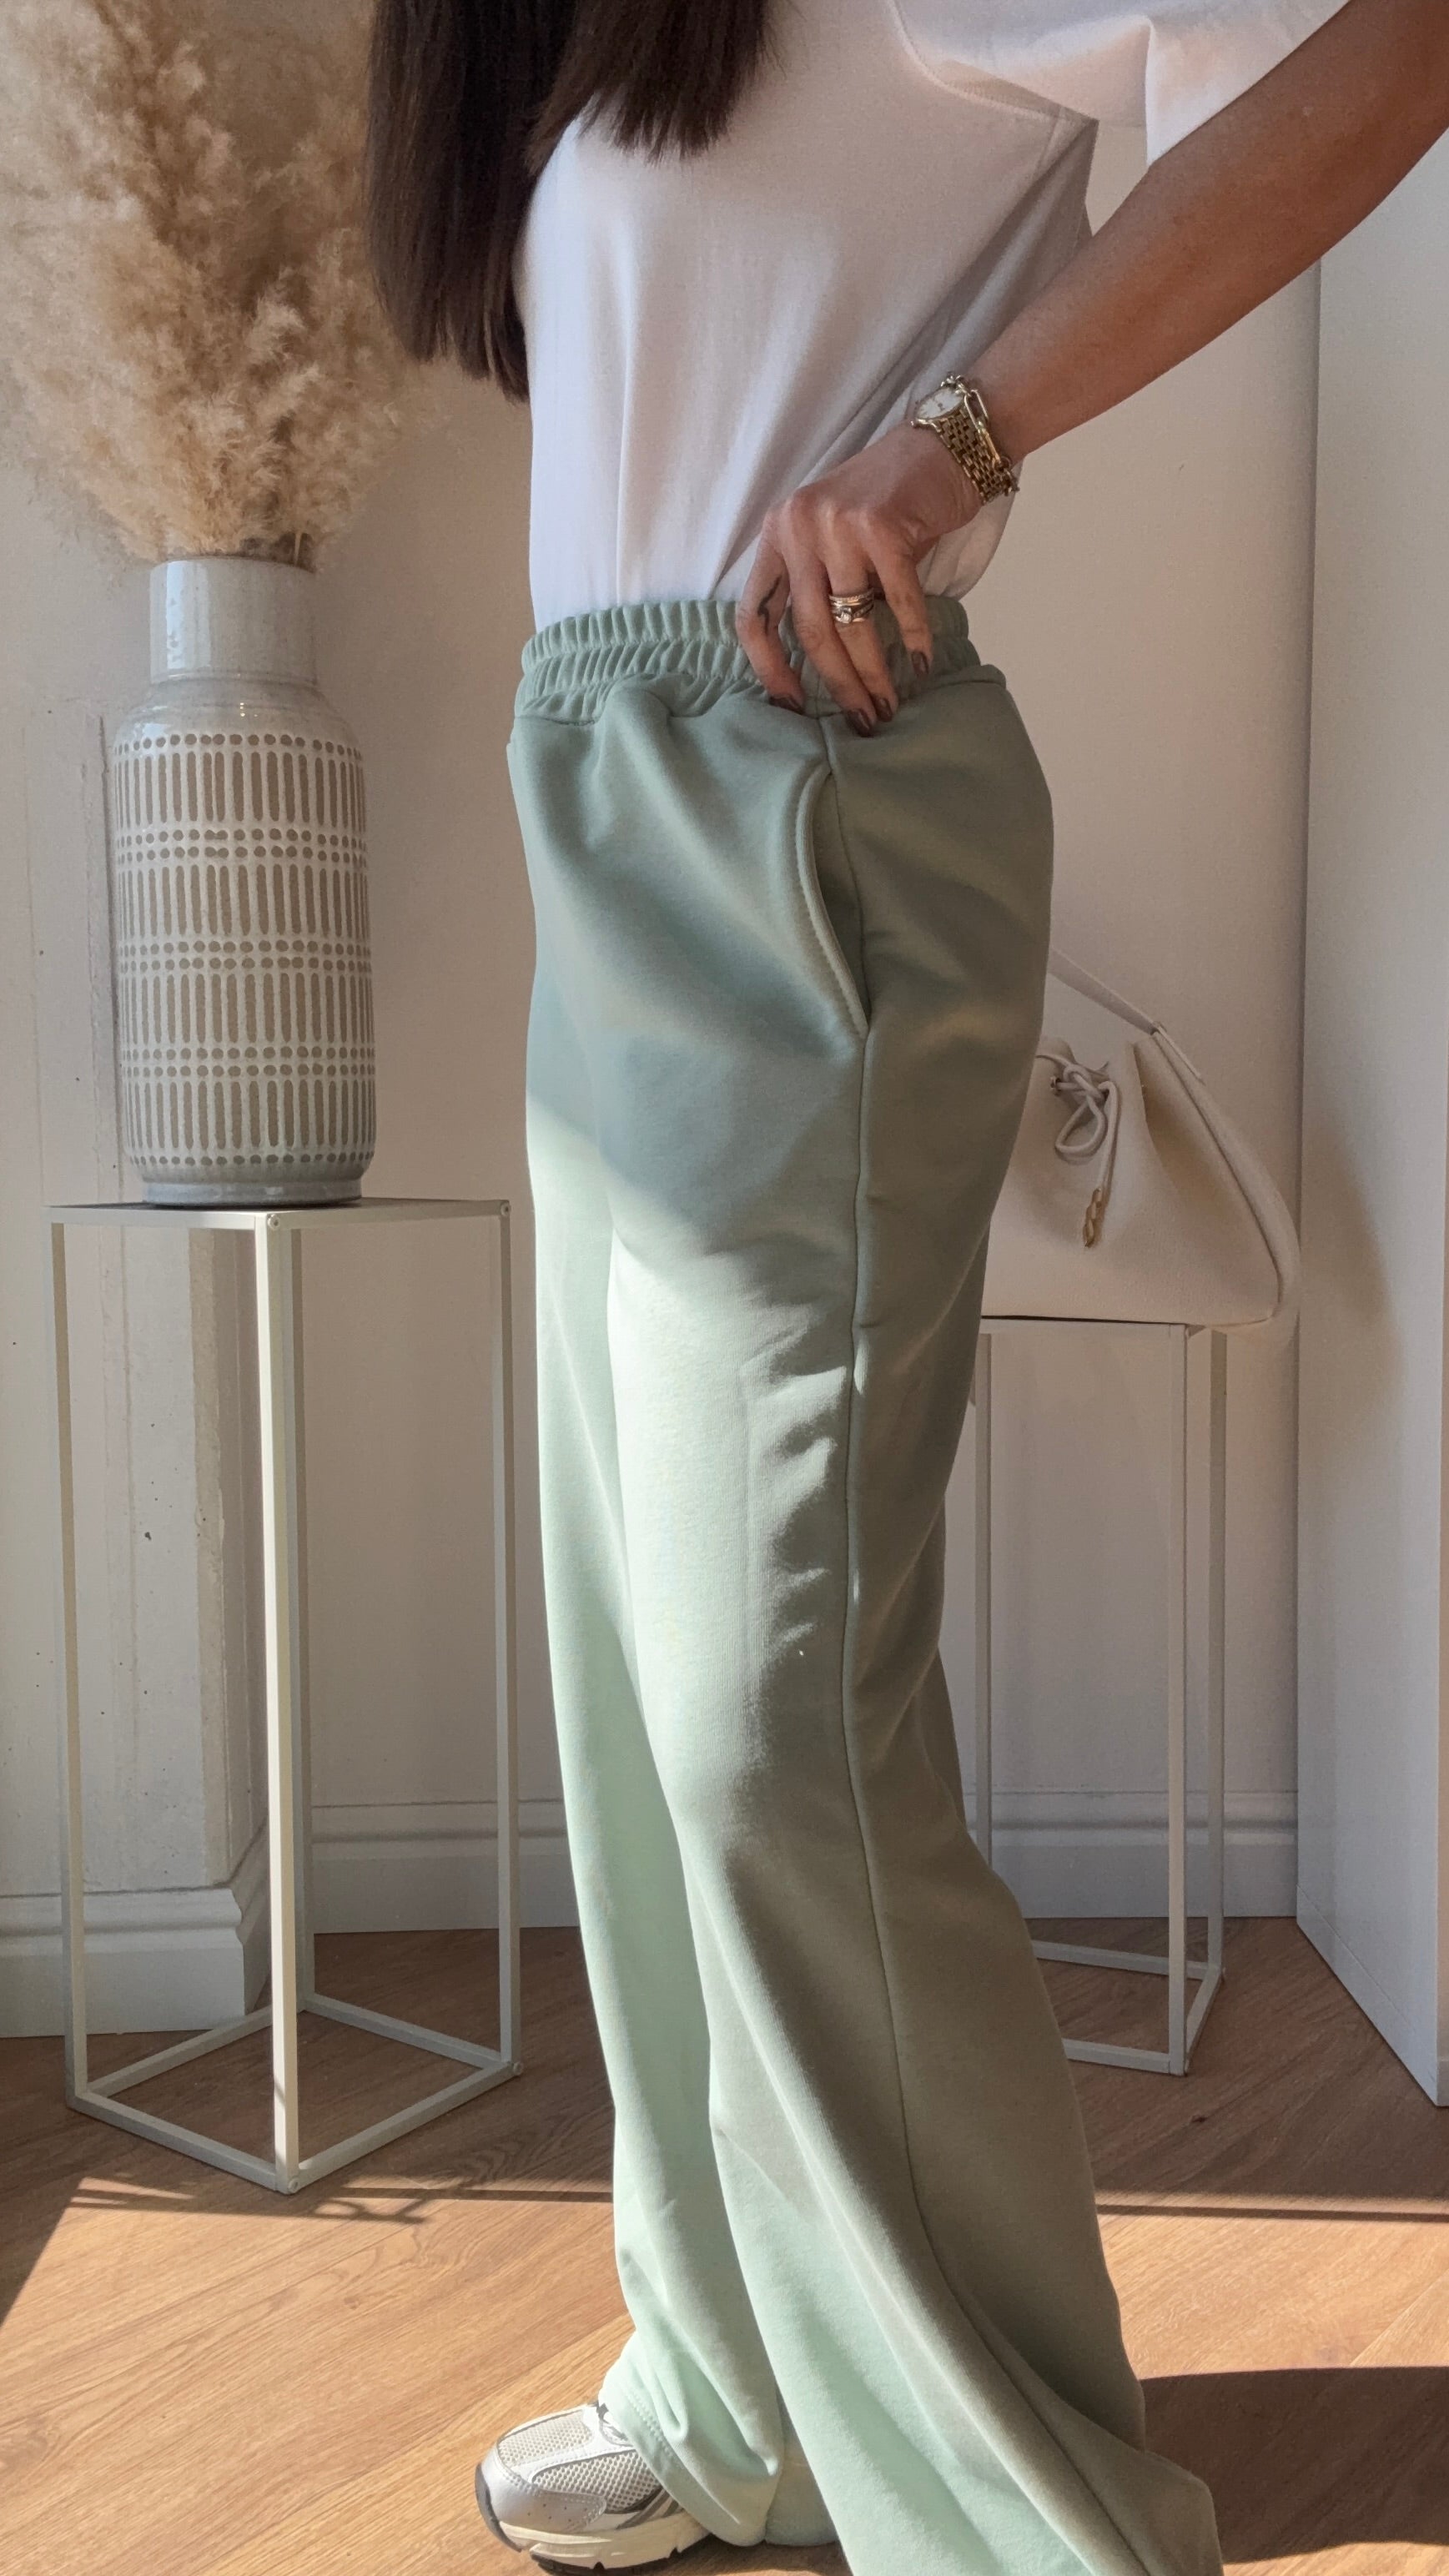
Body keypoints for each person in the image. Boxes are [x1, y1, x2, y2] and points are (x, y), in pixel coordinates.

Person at [365, 7, 1449, 2571]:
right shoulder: (584, 51)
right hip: (610, 791)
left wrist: (954, 440)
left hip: (795, 787)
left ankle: (1017, 2512)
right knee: (641, 1690)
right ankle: (734, 2383)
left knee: (767, 1715)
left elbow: (1390, 48)